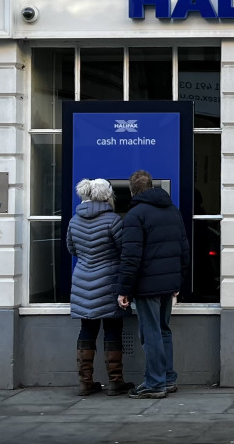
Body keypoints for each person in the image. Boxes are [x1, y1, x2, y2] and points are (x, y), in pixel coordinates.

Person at [116, 170, 190, 399]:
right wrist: (179, 279)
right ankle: (167, 379)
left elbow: (131, 257)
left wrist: (124, 290)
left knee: (151, 333)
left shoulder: (134, 215)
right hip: (168, 282)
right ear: (152, 186)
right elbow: (183, 248)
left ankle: (154, 383)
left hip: (147, 285)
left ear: (132, 190)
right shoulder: (172, 211)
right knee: (163, 330)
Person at [66, 178, 133, 396]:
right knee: (113, 329)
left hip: (82, 280)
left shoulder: (74, 221)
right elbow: (124, 249)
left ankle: (85, 382)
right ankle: (115, 382)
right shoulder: (113, 220)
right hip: (109, 280)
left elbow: (72, 249)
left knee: (87, 329)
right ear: (107, 197)